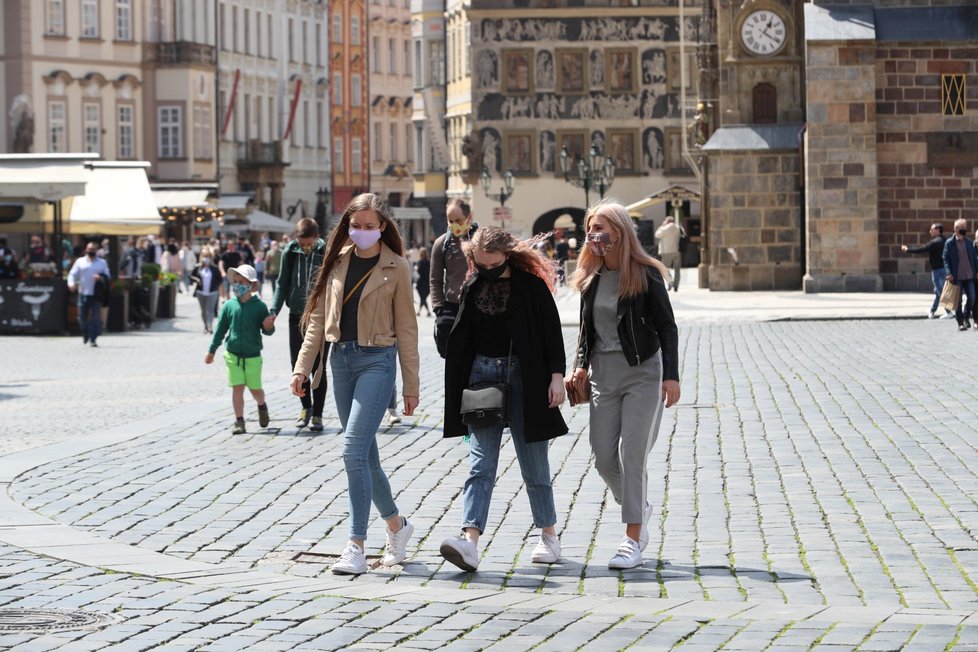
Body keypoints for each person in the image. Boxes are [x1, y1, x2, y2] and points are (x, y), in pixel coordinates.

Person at [291, 193, 420, 575]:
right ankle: (397, 526)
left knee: (351, 452)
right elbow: (316, 320)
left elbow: (408, 330)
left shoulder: (395, 267)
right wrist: (302, 368)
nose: (362, 232)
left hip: (377, 361)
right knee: (366, 456)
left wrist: (411, 386)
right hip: (341, 362)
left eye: (369, 226)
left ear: (383, 226)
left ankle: (356, 546)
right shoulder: (336, 261)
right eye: (356, 225)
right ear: (348, 225)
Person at [439, 226, 567, 572]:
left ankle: (549, 536)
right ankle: (470, 542)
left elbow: (552, 333)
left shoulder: (531, 287)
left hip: (526, 376)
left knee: (534, 464)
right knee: (480, 464)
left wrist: (557, 376)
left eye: (492, 264)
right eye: (479, 263)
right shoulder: (473, 285)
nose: (486, 269)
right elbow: (462, 339)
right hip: (482, 377)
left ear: (506, 256)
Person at [567, 199, 680, 570]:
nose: (595, 236)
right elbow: (587, 329)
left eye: (602, 229)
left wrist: (671, 375)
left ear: (620, 231)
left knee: (634, 455)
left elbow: (667, 326)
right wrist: (581, 365)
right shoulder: (590, 277)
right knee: (602, 456)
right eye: (590, 230)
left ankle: (632, 538)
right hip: (604, 376)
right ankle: (640, 505)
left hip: (642, 372)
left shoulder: (645, 273)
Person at [266, 218, 329, 431]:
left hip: (320, 317)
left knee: (318, 366)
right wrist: (274, 310)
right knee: (297, 365)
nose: (305, 247)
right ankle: (306, 408)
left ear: (316, 236)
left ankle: (318, 414)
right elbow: (282, 284)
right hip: (296, 315)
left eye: (308, 243)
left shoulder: (325, 251)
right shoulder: (290, 252)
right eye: (302, 243)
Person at [205, 264, 275, 434]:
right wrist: (212, 350)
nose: (237, 285)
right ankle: (239, 420)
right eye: (235, 281)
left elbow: (268, 331)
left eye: (241, 281)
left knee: (255, 389)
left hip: (252, 355)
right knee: (237, 387)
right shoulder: (229, 306)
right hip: (233, 354)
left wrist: (268, 326)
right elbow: (221, 329)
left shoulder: (259, 307)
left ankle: (261, 405)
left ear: (251, 285)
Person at [430, 198, 478, 357]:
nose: (454, 225)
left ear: (469, 218)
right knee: (452, 357)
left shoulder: (481, 241)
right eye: (450, 221)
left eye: (458, 220)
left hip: (478, 306)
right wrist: (439, 309)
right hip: (452, 307)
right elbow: (435, 279)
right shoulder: (441, 244)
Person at [901, 223, 951, 319]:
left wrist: (907, 250)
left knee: (940, 291)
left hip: (936, 270)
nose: (930, 231)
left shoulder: (935, 242)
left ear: (937, 230)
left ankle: (948, 312)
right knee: (938, 291)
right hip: (945, 269)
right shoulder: (945, 241)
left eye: (932, 229)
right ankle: (932, 310)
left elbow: (921, 249)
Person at [67, 241, 111, 347]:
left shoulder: (102, 263)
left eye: (93, 250)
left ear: (96, 251)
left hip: (96, 294)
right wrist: (71, 284)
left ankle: (93, 339)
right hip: (83, 293)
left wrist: (100, 277)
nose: (91, 251)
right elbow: (72, 274)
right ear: (86, 250)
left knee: (96, 318)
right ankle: (85, 333)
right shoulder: (80, 262)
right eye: (89, 249)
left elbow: (108, 276)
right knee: (81, 317)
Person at [943, 218, 978, 332]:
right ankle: (960, 322)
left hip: (969, 276)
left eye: (965, 228)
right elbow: (945, 258)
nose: (965, 230)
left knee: (972, 298)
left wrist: (976, 271)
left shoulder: (968, 242)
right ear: (956, 229)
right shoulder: (950, 243)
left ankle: (966, 315)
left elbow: (974, 258)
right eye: (963, 228)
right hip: (956, 276)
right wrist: (948, 272)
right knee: (958, 301)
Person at [190, 247, 222, 334]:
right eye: (204, 256)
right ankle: (205, 326)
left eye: (208, 256)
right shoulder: (198, 268)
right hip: (201, 292)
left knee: (210, 310)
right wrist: (197, 280)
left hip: (212, 292)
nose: (206, 258)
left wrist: (215, 286)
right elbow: (191, 277)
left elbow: (220, 279)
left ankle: (210, 326)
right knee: (203, 310)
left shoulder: (214, 268)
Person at [654, 216, 684, 291]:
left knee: (665, 269)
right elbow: (683, 235)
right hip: (676, 251)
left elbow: (657, 235)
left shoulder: (665, 228)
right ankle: (676, 286)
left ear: (667, 221)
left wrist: (662, 225)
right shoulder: (677, 227)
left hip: (666, 252)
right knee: (677, 270)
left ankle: (670, 283)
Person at [415, 249, 431, 316]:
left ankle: (422, 311)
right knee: (423, 298)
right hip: (427, 282)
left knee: (422, 298)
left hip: (421, 282)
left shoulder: (420, 262)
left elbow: (419, 271)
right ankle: (427, 312)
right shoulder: (429, 262)